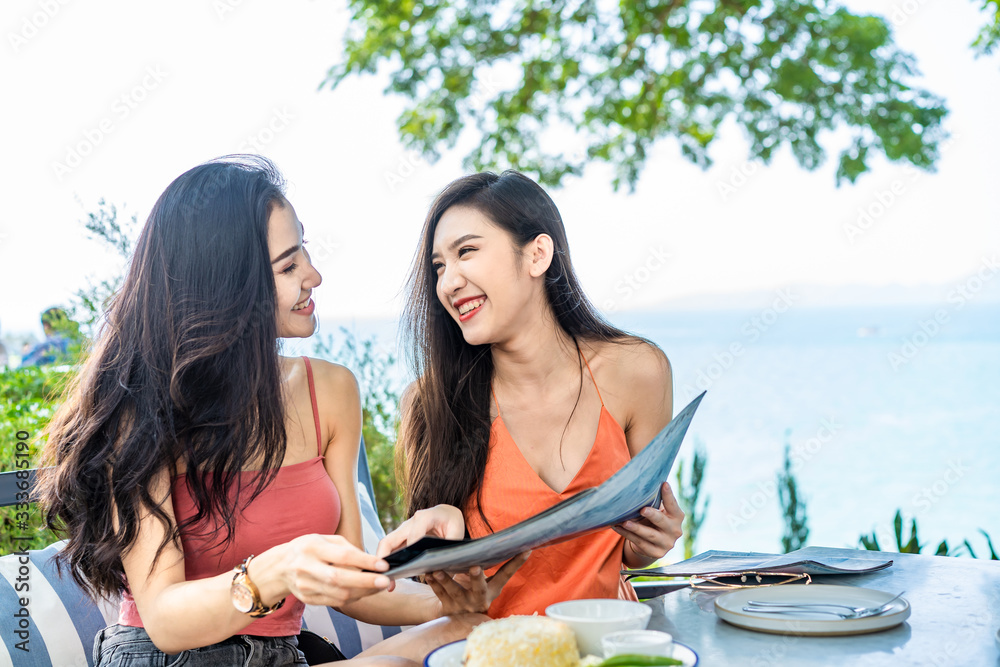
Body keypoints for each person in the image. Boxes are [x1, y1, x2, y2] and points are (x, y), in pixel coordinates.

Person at [36, 156, 524, 667]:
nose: (314, 275)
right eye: (288, 266)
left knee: (468, 635)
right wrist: (278, 568)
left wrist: (452, 602)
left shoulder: (331, 390)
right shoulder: (144, 410)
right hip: (165, 658)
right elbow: (165, 620)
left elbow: (352, 589)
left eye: (304, 253)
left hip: (282, 656)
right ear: (226, 286)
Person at [380, 170, 685, 618]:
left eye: (466, 252)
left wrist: (653, 543)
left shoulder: (637, 372)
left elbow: (626, 553)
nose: (448, 282)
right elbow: (419, 583)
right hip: (486, 649)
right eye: (439, 266)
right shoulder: (429, 403)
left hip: (605, 644)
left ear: (537, 254)